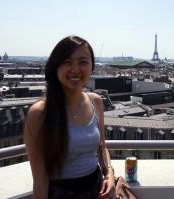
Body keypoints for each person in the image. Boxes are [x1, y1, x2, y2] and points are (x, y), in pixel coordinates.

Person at [24, 36, 115, 199]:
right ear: (55, 66)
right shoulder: (40, 113)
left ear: (92, 67)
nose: (75, 69)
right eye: (67, 62)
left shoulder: (96, 101)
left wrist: (109, 174)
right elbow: (40, 180)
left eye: (82, 62)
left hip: (97, 190)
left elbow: (102, 146)